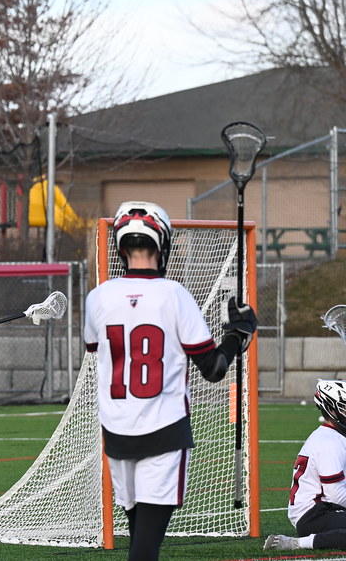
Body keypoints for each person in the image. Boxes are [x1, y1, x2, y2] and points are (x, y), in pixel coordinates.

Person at [83, 201, 257, 561]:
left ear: (120, 247)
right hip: (164, 430)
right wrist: (236, 336)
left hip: (116, 432)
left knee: (139, 537)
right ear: (162, 245)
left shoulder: (98, 297)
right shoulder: (174, 295)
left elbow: (94, 346)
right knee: (145, 547)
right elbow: (212, 368)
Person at [264, 379, 346, 551]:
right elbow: (336, 496)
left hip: (325, 508)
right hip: (315, 514)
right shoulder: (329, 442)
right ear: (332, 409)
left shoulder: (334, 437)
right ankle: (295, 543)